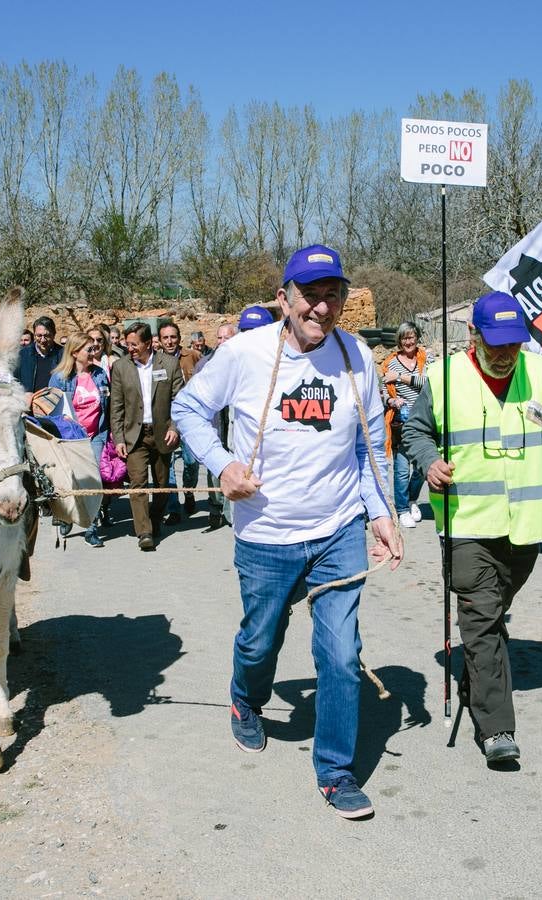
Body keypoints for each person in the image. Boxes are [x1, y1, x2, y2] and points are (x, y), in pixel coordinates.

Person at [171, 244, 402, 819]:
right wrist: (223, 465)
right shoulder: (245, 353)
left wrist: (382, 514)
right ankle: (245, 700)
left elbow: (371, 446)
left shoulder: (358, 359)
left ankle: (336, 771)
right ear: (284, 299)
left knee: (342, 654)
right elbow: (188, 409)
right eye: (309, 295)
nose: (321, 308)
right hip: (266, 533)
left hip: (338, 530)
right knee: (260, 640)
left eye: (333, 296)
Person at [400, 291, 542, 765]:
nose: (506, 354)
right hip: (465, 526)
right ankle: (497, 729)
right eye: (496, 344)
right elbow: (413, 431)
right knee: (481, 621)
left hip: (524, 533)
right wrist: (428, 462)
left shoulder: (541, 375)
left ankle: (475, 681)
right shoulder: (442, 378)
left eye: (514, 345)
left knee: (491, 615)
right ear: (473, 335)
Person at [109, 322, 184, 551]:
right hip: (135, 436)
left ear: (148, 343)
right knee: (137, 483)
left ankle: (154, 518)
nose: (129, 348)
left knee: (162, 485)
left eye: (134, 344)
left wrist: (175, 427)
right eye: (127, 344)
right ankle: (144, 532)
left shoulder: (169, 364)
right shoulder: (121, 367)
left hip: (162, 433)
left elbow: (179, 401)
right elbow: (117, 405)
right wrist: (119, 438)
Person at [49, 337, 112, 547]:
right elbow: (50, 411)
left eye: (94, 347)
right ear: (75, 352)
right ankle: (67, 516)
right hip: (70, 438)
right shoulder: (60, 378)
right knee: (71, 480)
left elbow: (108, 404)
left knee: (93, 480)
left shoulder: (100, 374)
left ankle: (91, 528)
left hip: (96, 435)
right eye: (89, 348)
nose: (93, 351)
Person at [380, 321, 428, 529]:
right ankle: (401, 509)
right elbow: (383, 391)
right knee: (401, 469)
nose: (408, 342)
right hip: (402, 417)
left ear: (417, 337)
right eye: (404, 338)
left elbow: (429, 382)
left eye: (411, 337)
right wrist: (391, 401)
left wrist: (400, 377)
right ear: (399, 341)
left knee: (421, 468)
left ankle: (411, 499)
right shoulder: (390, 363)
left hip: (425, 417)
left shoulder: (425, 359)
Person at [195, 321, 238, 529]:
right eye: (219, 338)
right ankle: (215, 507)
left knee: (235, 468)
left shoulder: (244, 363)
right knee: (215, 471)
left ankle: (231, 513)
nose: (221, 342)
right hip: (213, 426)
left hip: (236, 428)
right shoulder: (203, 364)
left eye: (226, 338)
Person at [158, 320, 203, 521]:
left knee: (191, 462)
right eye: (165, 338)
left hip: (190, 417)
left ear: (179, 338)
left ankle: (189, 490)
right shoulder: (155, 361)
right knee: (167, 466)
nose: (169, 341)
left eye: (173, 337)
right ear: (159, 340)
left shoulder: (192, 356)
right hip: (165, 419)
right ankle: (174, 508)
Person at [16, 316, 63, 394]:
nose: (43, 340)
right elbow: (15, 380)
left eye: (47, 336)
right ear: (34, 335)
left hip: (55, 402)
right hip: (28, 403)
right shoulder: (22, 355)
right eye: (39, 335)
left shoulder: (63, 355)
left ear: (54, 335)